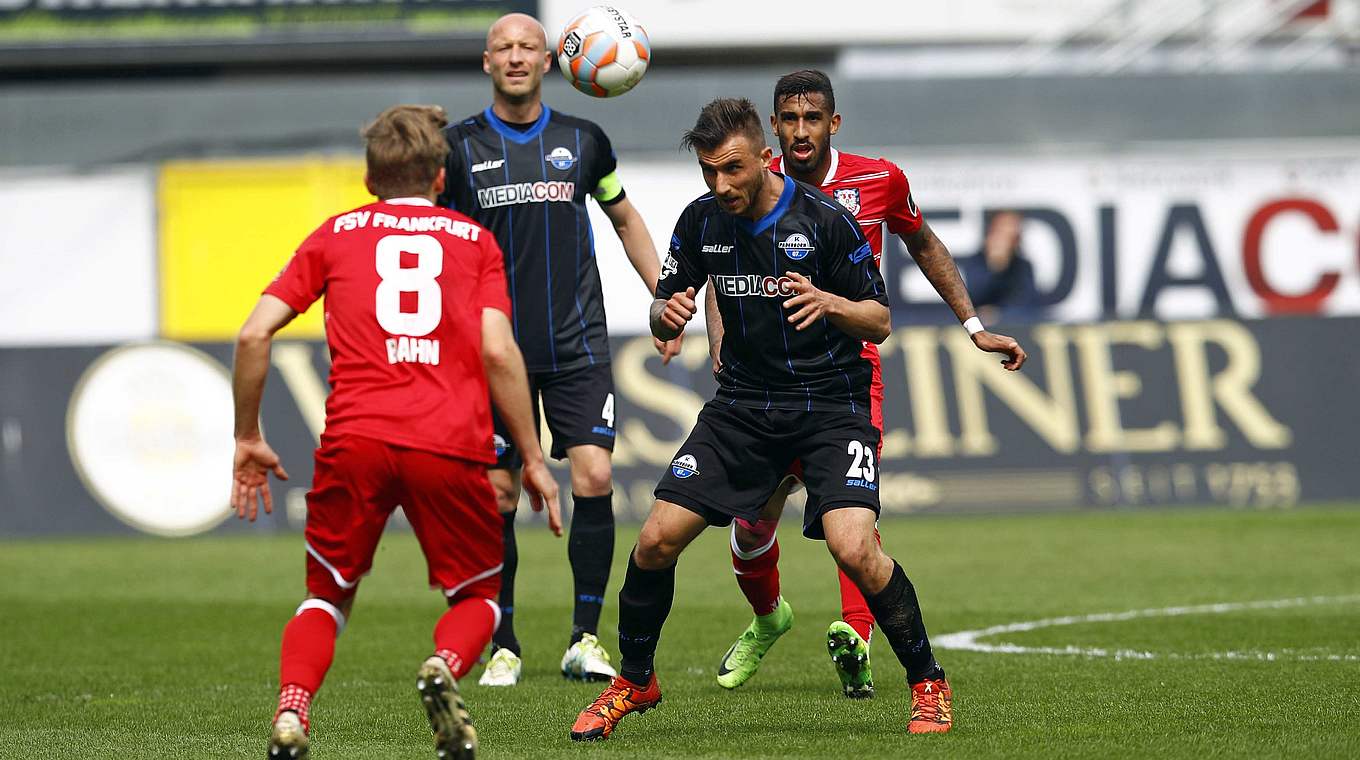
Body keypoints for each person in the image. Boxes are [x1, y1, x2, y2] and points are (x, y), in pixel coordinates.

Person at [572, 97, 1020, 742]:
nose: (720, 184)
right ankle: (636, 680)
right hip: (743, 409)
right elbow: (669, 297)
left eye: (731, 169)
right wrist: (663, 314)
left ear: (763, 156)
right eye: (708, 171)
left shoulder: (826, 220)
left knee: (854, 548)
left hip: (830, 406)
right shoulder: (700, 221)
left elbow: (881, 321)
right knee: (654, 542)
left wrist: (828, 301)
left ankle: (927, 682)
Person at [231, 104, 561, 759]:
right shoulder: (474, 241)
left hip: (356, 440)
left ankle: (293, 710)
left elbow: (252, 333)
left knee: (326, 596)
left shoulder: (334, 234)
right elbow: (498, 351)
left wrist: (247, 435)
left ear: (368, 178)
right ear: (441, 177)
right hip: (448, 442)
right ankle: (443, 663)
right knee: (479, 597)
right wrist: (531, 454)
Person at [707, 70, 1028, 706]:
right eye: (789, 120)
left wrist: (974, 325)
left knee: (846, 518)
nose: (801, 131)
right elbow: (720, 268)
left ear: (835, 123)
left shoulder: (878, 179)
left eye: (813, 119)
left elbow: (925, 244)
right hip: (765, 382)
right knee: (751, 522)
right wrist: (718, 340)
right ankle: (769, 616)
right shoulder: (749, 180)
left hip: (848, 379)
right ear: (773, 126)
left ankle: (856, 638)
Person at [438, 12, 678, 687]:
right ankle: (503, 642)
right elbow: (441, 245)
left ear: (550, 62)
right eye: (503, 48)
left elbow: (623, 215)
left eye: (527, 47)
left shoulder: (585, 140)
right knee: (497, 496)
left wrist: (664, 293)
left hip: (577, 343)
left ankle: (584, 638)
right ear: (487, 62)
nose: (516, 57)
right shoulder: (457, 150)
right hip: (492, 350)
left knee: (595, 477)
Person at [960, 209, 1043, 322]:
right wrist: (995, 266)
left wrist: (1000, 315)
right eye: (1002, 231)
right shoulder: (974, 261)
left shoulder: (1023, 266)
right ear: (991, 232)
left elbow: (1029, 305)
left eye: (1012, 234)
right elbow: (973, 297)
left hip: (1012, 326)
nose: (1005, 239)